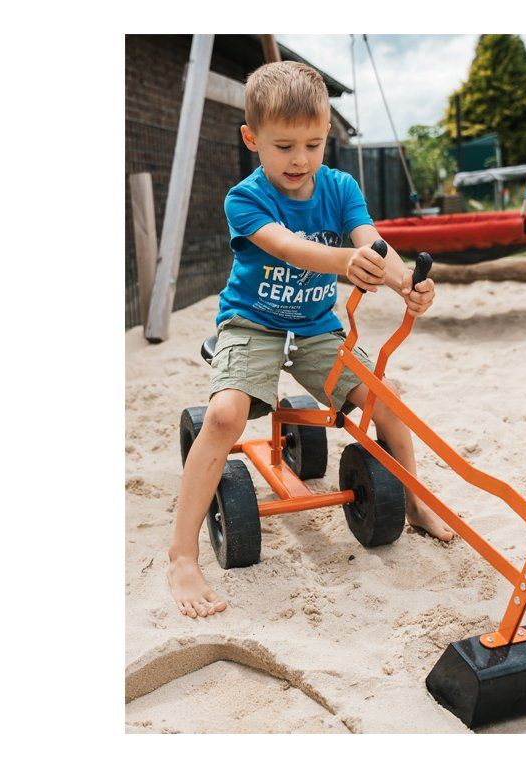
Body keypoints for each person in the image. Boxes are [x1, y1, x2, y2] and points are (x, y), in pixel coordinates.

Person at [168, 60, 454, 620]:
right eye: (284, 146)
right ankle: (182, 555)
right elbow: (287, 247)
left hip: (317, 326)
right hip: (252, 322)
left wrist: (406, 283)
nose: (300, 159)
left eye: (314, 144)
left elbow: (372, 243)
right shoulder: (244, 198)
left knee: (387, 398)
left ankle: (414, 501)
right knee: (224, 416)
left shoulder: (341, 187)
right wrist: (346, 262)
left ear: (327, 136)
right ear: (252, 139)